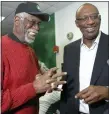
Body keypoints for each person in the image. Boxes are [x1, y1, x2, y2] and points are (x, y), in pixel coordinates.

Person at [1, 2, 67, 114]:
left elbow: (33, 86)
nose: (37, 28)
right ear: (17, 20)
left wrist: (46, 85)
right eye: (32, 22)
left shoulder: (30, 50)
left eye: (38, 23)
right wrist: (34, 88)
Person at [60, 3, 109, 114]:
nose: (90, 21)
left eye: (94, 16)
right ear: (77, 24)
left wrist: (107, 92)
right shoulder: (69, 49)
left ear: (99, 18)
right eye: (84, 18)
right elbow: (68, 85)